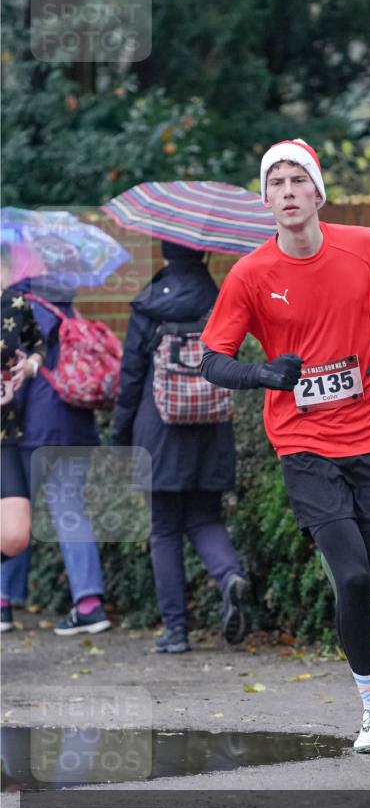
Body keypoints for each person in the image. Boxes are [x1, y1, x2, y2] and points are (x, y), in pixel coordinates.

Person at [200, 138, 370, 753]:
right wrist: (263, 375)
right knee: (352, 579)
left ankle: (367, 594)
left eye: (300, 180)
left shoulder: (362, 246)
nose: (289, 192)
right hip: (303, 444)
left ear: (318, 193)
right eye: (277, 183)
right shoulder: (250, 274)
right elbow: (212, 361)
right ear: (266, 199)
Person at [112, 240, 248, 654]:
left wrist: (120, 435)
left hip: (159, 427)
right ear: (202, 253)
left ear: (166, 254)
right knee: (205, 517)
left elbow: (132, 374)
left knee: (165, 529)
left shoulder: (149, 302)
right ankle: (229, 578)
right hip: (210, 424)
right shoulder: (220, 299)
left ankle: (175, 631)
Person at [0, 267, 112, 637]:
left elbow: (14, 373)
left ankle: (3, 602)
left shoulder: (21, 307)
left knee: (14, 513)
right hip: (77, 424)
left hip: (32, 429)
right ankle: (89, 604)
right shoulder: (69, 309)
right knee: (69, 511)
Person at [0, 247, 46, 633]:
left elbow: (38, 344)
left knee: (15, 535)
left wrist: (27, 366)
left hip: (4, 432)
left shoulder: (15, 302)